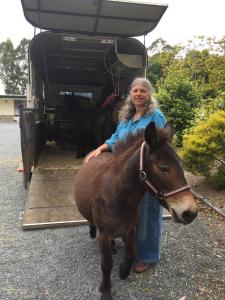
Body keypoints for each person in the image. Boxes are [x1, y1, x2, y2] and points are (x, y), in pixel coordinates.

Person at [85, 77, 166, 273]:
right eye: (135, 90)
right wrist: (101, 148)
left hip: (147, 172)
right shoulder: (127, 117)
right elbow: (115, 138)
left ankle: (147, 255)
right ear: (131, 95)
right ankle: (129, 243)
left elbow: (161, 144)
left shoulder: (156, 116)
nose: (138, 94)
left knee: (147, 212)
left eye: (143, 91)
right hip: (127, 173)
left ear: (149, 94)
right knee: (126, 209)